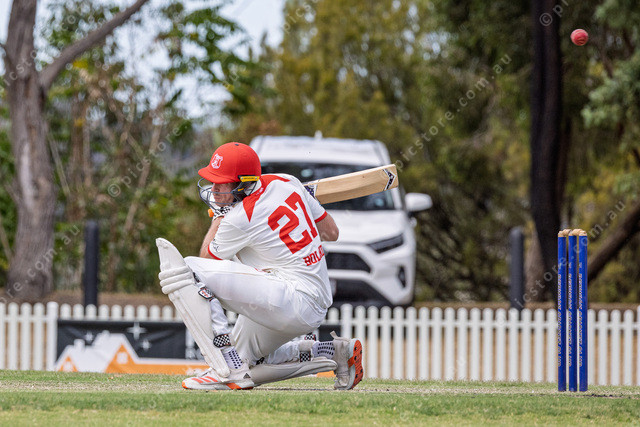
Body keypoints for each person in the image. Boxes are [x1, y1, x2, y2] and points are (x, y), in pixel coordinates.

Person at [157, 142, 363, 390]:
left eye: (221, 182)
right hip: (311, 300)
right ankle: (336, 352)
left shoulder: (239, 217)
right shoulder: (287, 182)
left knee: (188, 268)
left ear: (243, 185)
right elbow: (331, 232)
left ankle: (225, 366)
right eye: (213, 181)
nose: (214, 189)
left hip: (290, 298)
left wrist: (219, 216)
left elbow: (207, 259)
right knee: (247, 363)